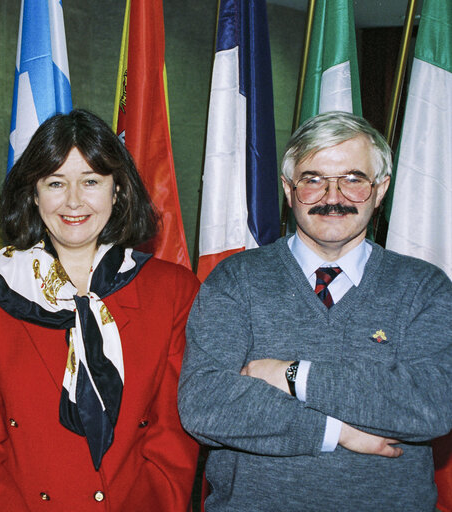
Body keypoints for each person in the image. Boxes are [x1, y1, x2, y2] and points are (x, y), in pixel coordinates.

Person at [178, 111, 452, 511]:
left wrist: (290, 374)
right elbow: (206, 405)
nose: (333, 197)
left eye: (354, 180)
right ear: (289, 190)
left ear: (381, 190)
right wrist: (334, 431)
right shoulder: (236, 279)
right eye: (313, 180)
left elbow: (431, 406)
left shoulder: (424, 287)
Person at [0, 109, 200, 510]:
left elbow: (173, 439)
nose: (74, 201)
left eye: (91, 182)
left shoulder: (172, 290)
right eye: (55, 183)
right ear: (33, 193)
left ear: (117, 191)